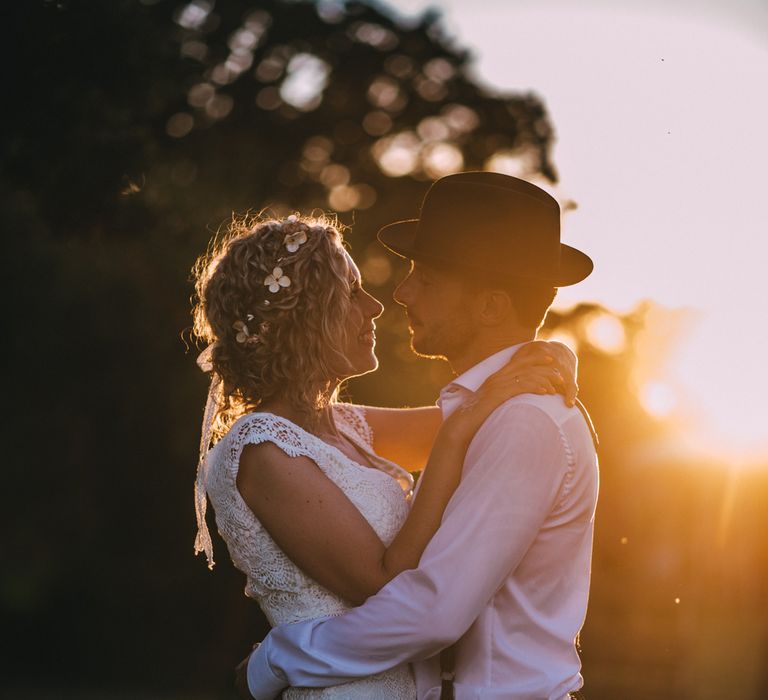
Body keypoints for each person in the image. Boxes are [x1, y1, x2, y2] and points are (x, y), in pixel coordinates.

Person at [191, 205, 579, 699]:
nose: (375, 307)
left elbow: (487, 410)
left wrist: (550, 353)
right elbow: (384, 581)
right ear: (307, 319)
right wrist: (457, 435)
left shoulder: (345, 426)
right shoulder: (263, 450)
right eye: (352, 293)